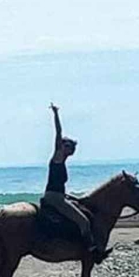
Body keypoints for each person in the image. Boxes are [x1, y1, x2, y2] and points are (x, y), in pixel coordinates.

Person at [41, 103, 103, 258]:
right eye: (68, 146)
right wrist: (56, 114)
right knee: (84, 222)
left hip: (58, 195)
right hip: (55, 198)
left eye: (72, 147)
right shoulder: (58, 155)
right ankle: (91, 250)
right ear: (62, 146)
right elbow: (58, 132)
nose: (71, 149)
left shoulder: (62, 161)